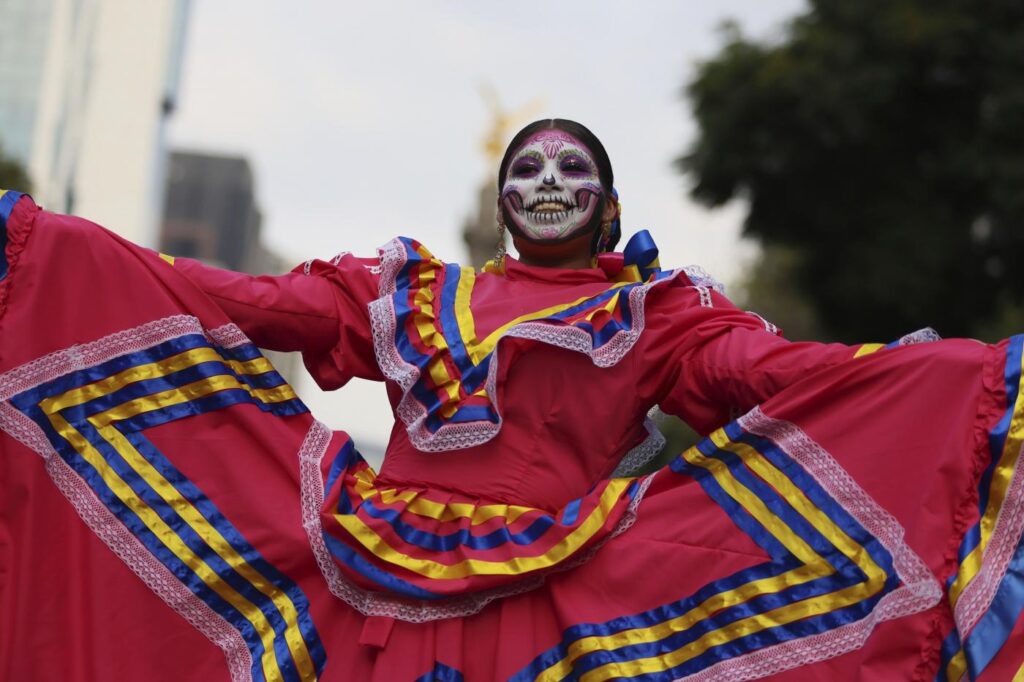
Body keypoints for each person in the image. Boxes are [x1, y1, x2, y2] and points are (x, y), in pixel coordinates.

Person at [0, 120, 1021, 681]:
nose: (546, 179)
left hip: (560, 597)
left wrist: (907, 377)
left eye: (572, 167)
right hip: (371, 581)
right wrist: (69, 252)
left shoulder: (654, 312)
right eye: (525, 166)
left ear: (609, 205)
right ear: (501, 205)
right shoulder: (416, 294)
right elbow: (256, 302)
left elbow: (760, 380)